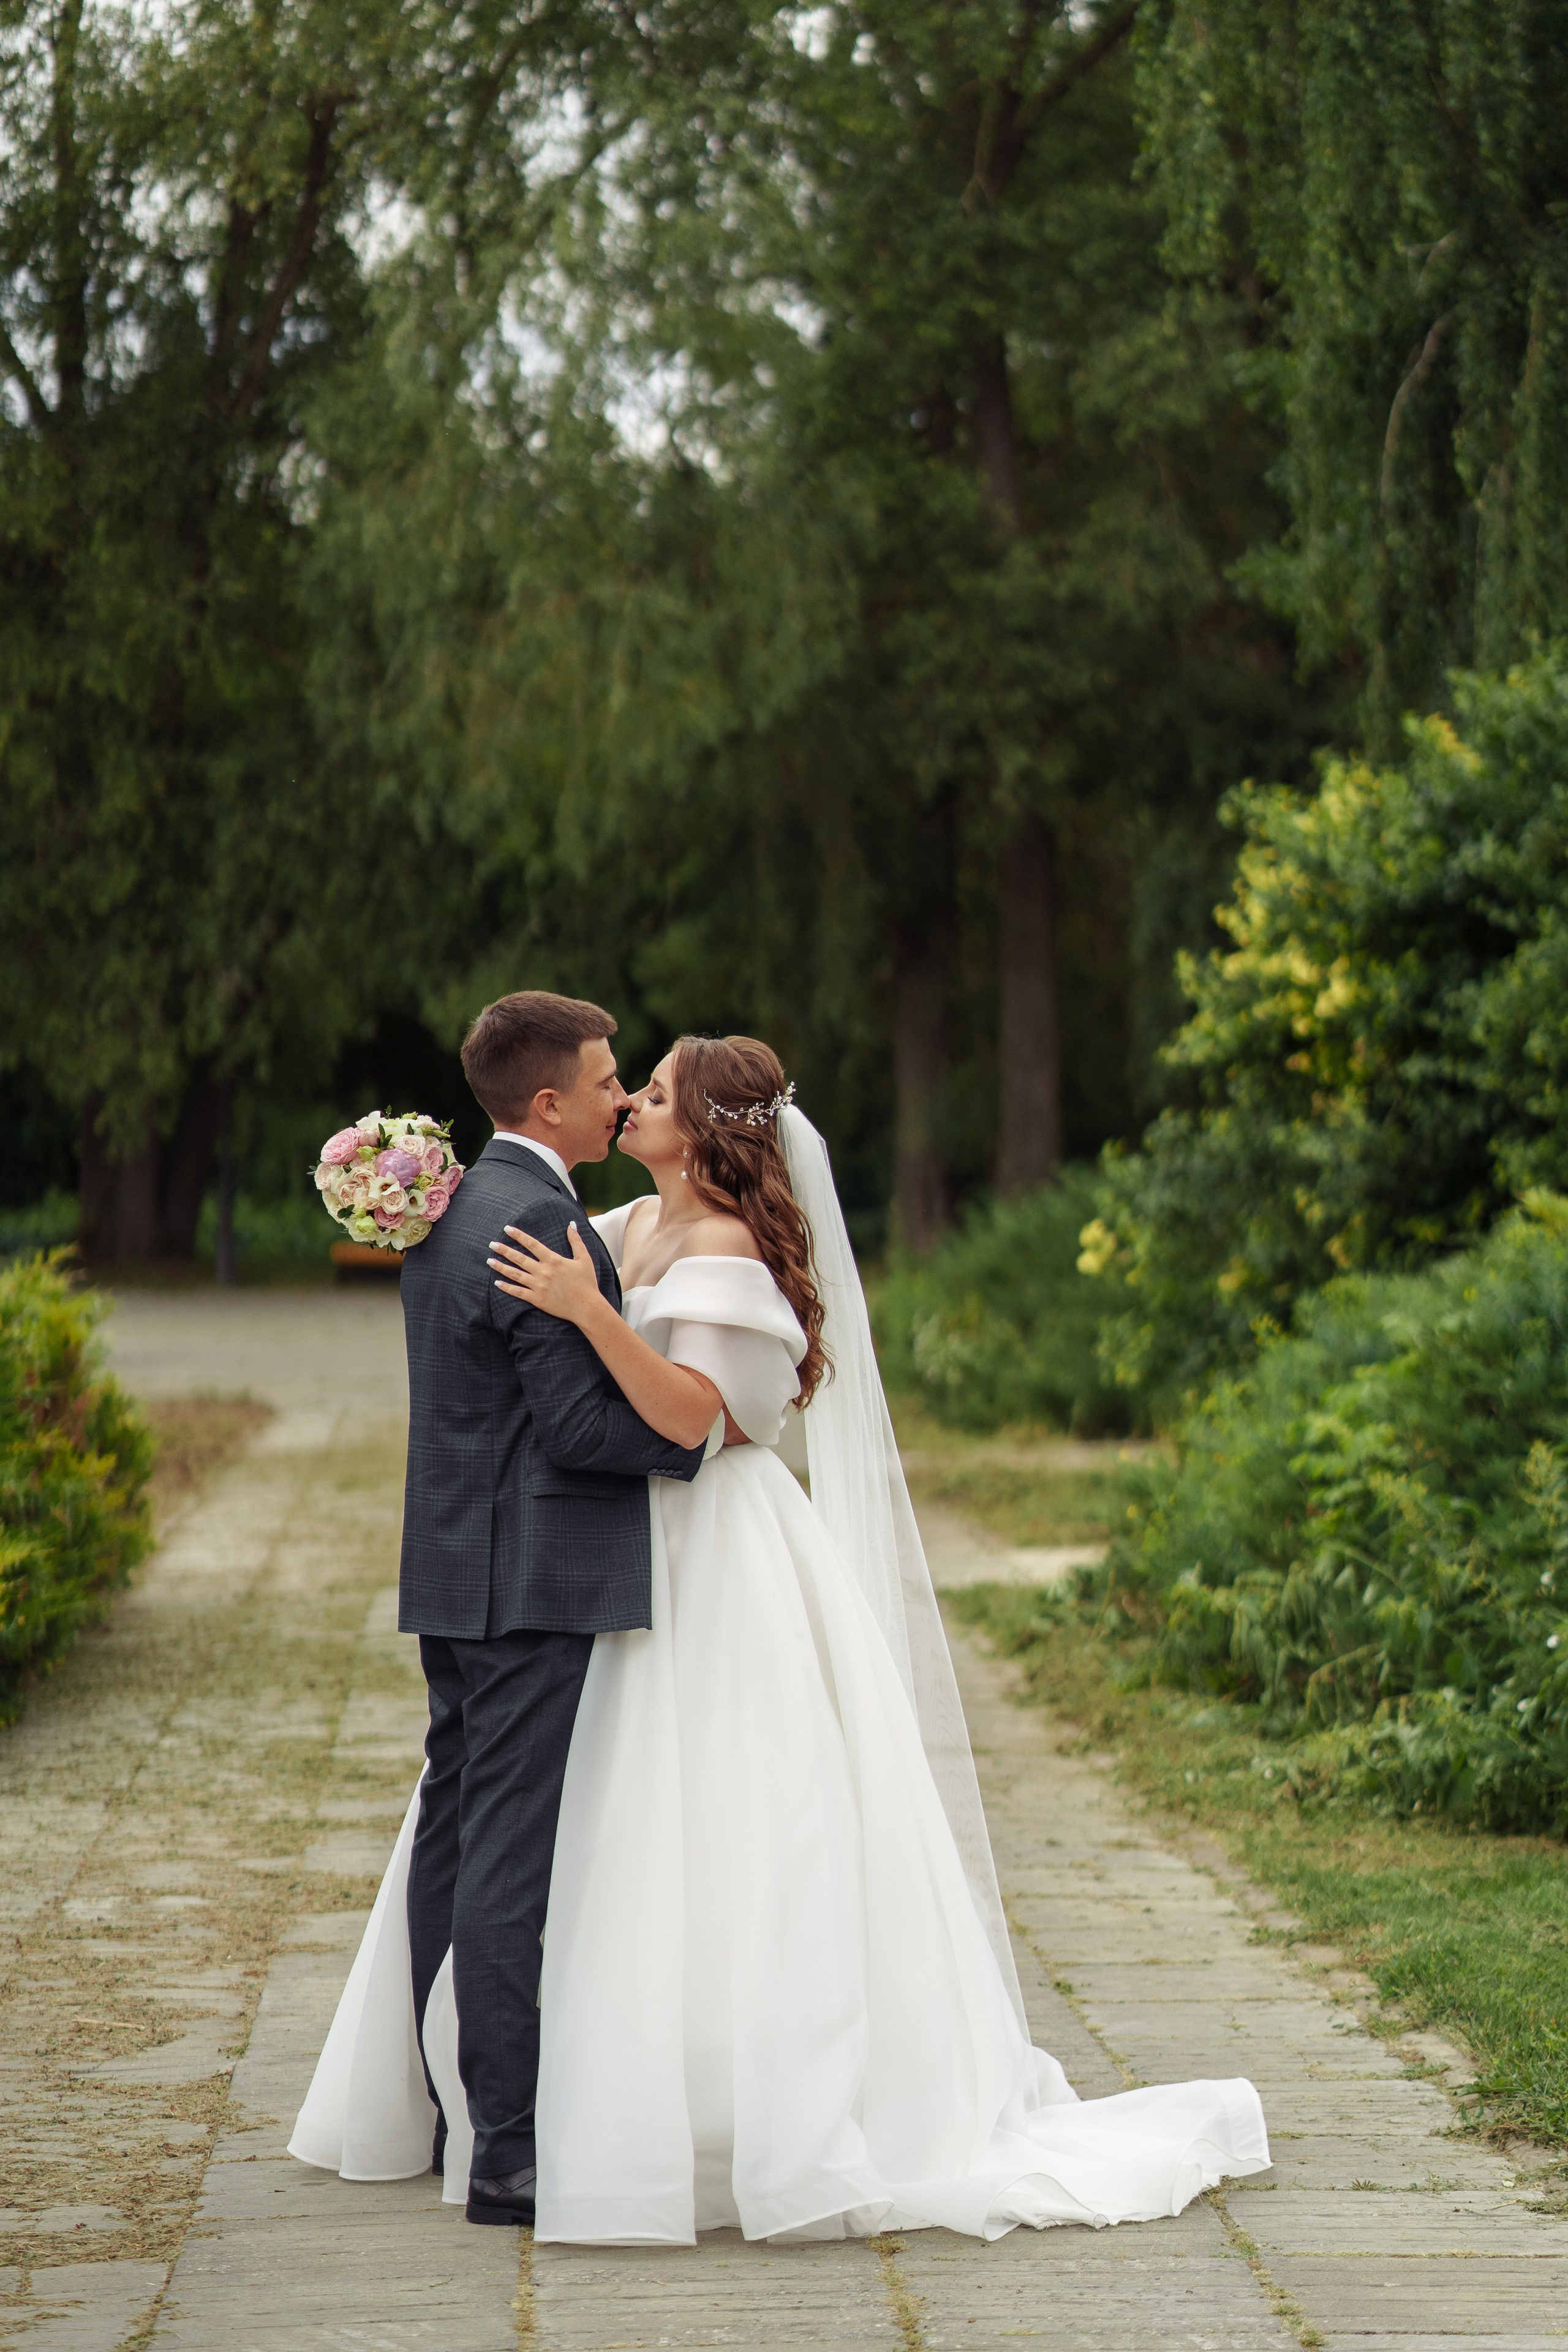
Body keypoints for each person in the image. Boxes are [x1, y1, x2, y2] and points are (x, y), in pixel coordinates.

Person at [292, 1028, 1270, 2242]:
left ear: (703, 1134)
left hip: (715, 1554)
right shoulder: (615, 1228)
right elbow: (506, 1310)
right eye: (620, 1086)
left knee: (734, 1826)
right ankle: (544, 2101)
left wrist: (596, 1319)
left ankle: (721, 2108)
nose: (630, 1103)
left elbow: (704, 1422)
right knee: (590, 1826)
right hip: (609, 1557)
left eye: (649, 1093)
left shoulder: (727, 1255)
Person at [288, 993, 709, 2227]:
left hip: (456, 1563)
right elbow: (578, 1425)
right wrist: (704, 1442)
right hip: (533, 1578)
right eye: (605, 1078)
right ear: (548, 1104)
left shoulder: (456, 1201)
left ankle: (439, 2111)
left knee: (454, 1836)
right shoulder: (538, 1217)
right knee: (508, 1861)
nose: (620, 1094)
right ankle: (509, 2153)